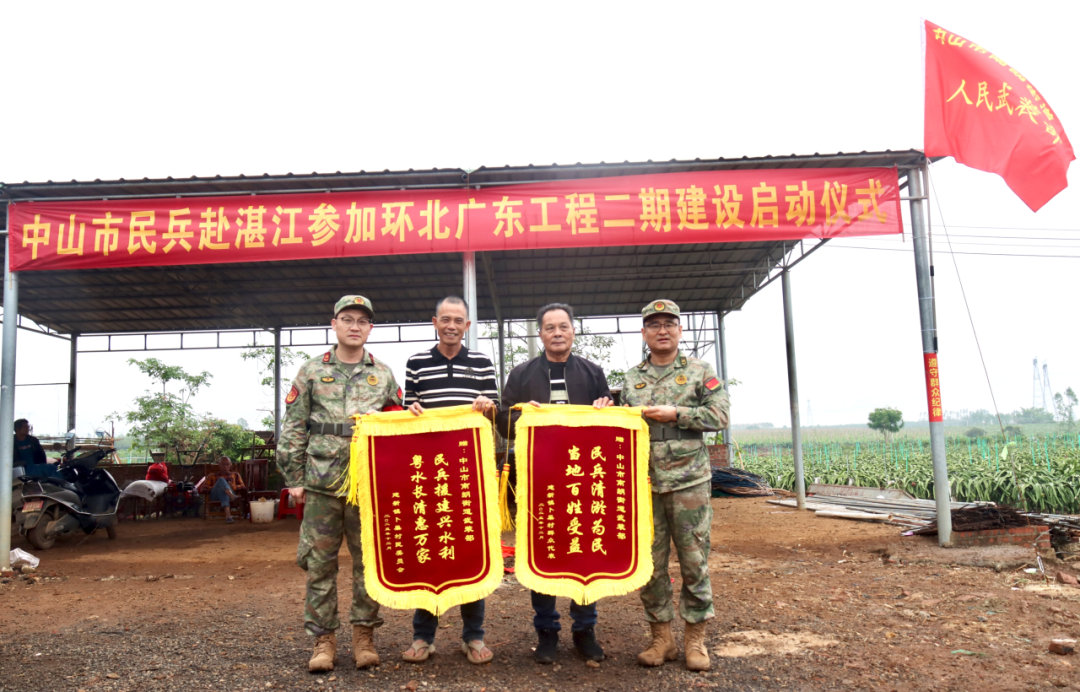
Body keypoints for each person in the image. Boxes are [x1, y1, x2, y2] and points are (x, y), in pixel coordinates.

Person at [277, 295, 404, 674]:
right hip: (321, 482)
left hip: (367, 485)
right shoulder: (312, 370)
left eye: (362, 321)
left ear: (370, 329)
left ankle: (364, 637)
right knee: (319, 565)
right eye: (347, 319)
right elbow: (294, 425)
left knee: (369, 563)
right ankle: (324, 641)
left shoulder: (382, 374)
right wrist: (294, 478)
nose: (354, 326)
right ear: (334, 324)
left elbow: (398, 425)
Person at [495, 303, 613, 664]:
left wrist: (606, 407)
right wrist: (520, 413)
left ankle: (585, 630)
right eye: (550, 327)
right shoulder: (522, 374)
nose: (557, 333)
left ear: (574, 331)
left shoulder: (592, 372)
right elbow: (503, 422)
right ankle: (545, 630)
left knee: (584, 552)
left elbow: (610, 417)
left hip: (583, 481)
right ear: (540, 333)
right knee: (541, 551)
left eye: (563, 326)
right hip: (538, 480)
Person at [619, 300, 729, 672]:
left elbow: (720, 415)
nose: (662, 330)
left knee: (694, 561)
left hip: (689, 481)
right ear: (644, 333)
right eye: (654, 325)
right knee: (650, 564)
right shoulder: (631, 378)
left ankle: (695, 640)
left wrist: (677, 414)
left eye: (669, 324)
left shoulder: (700, 371)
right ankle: (661, 639)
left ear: (680, 331)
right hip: (645, 483)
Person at [401, 295, 499, 665]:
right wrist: (410, 411)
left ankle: (473, 636)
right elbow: (407, 413)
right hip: (428, 474)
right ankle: (422, 636)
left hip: (470, 472)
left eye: (459, 320)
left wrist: (488, 406)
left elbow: (495, 413)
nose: (452, 326)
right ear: (435, 322)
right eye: (446, 319)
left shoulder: (482, 363)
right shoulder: (416, 363)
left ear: (467, 326)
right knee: (427, 548)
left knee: (473, 549)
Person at [200, 456, 245, 523]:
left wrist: (233, 486)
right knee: (221, 480)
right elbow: (203, 488)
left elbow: (243, 486)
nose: (225, 466)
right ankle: (233, 497)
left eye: (227, 464)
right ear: (219, 465)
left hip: (229, 495)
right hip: (215, 496)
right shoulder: (212, 475)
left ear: (230, 465)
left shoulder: (235, 475)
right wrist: (215, 486)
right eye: (223, 464)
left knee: (222, 491)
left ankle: (228, 516)